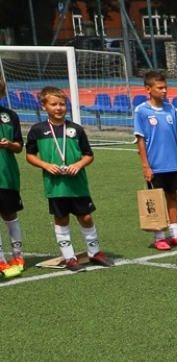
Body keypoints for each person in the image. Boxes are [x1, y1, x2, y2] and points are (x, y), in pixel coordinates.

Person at [24, 86, 111, 271]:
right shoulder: (37, 130)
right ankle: (70, 257)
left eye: (62, 104)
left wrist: (78, 165)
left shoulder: (75, 129)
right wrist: (46, 165)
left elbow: (88, 155)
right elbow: (30, 155)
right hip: (55, 186)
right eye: (54, 104)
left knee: (86, 217)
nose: (58, 108)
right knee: (61, 218)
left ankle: (94, 252)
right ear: (44, 106)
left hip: (77, 184)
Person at [134, 70, 177, 249]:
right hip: (155, 165)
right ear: (148, 89)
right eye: (160, 88)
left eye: (165, 87)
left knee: (172, 197)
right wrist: (146, 166)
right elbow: (140, 140)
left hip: (172, 164)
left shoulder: (170, 109)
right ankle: (159, 237)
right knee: (156, 200)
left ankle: (175, 234)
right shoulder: (142, 111)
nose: (164, 91)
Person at [0, 77, 24, 276]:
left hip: (7, 175)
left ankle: (18, 254)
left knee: (10, 214)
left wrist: (8, 144)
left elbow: (19, 147)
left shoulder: (10, 116)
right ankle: (0, 260)